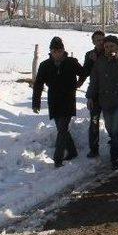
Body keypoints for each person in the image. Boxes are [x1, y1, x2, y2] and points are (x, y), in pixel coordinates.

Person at [86, 35, 118, 170]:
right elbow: (94, 81)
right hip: (106, 101)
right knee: (111, 130)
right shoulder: (100, 61)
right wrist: (90, 96)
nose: (109, 49)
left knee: (116, 129)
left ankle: (116, 157)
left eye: (112, 46)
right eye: (107, 47)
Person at [32, 37, 84, 168]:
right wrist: (36, 103)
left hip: (68, 99)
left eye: (59, 51)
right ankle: (72, 151)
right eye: (54, 51)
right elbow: (38, 84)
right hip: (54, 100)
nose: (57, 53)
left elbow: (83, 72)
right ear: (51, 51)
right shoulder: (45, 65)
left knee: (62, 129)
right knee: (62, 129)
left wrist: (80, 82)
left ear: (63, 50)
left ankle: (58, 158)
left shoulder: (71, 62)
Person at [77, 30, 105, 158]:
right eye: (97, 40)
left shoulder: (109, 52)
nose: (100, 42)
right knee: (94, 121)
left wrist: (97, 60)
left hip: (110, 93)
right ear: (93, 41)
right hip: (95, 93)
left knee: (111, 122)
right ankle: (94, 149)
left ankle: (116, 143)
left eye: (102, 39)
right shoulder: (89, 55)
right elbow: (85, 72)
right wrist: (78, 84)